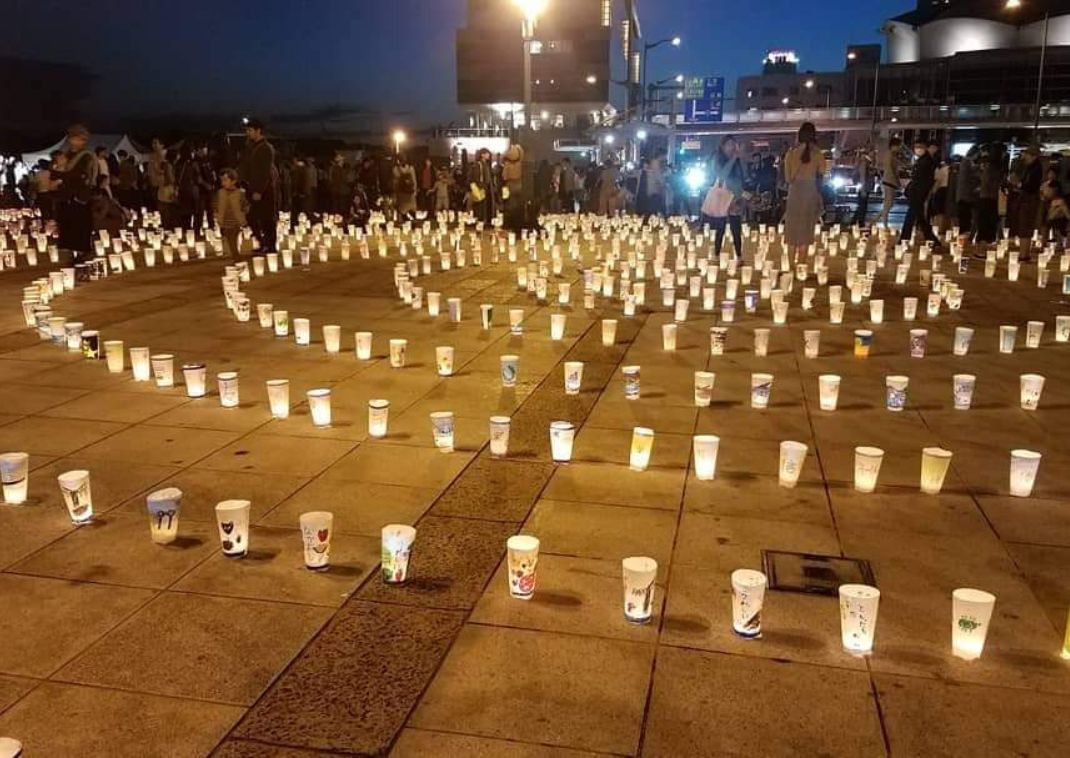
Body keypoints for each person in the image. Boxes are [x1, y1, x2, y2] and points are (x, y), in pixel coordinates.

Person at [52, 124, 97, 261]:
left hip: (79, 197)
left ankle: (83, 255)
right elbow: (55, 174)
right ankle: (71, 256)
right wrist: (59, 173)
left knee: (80, 228)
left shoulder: (86, 156)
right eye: (77, 138)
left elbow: (78, 175)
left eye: (83, 139)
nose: (80, 142)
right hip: (65, 197)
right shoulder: (65, 155)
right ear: (70, 139)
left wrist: (61, 174)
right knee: (67, 229)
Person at [783, 122, 827, 257]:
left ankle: (790, 267)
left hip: (795, 193)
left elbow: (788, 178)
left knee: (792, 233)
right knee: (805, 232)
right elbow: (822, 172)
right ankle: (802, 267)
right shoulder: (818, 154)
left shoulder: (790, 154)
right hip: (810, 193)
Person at [238, 118, 278, 252]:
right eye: (247, 130)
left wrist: (259, 190)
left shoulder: (266, 148)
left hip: (264, 190)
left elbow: (265, 171)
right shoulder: (251, 147)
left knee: (266, 219)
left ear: (258, 131)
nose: (247, 133)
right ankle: (262, 242)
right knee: (251, 217)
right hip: (252, 187)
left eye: (250, 130)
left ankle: (270, 246)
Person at [708, 136, 747, 258]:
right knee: (721, 227)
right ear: (723, 146)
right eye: (729, 144)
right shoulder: (717, 158)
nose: (732, 147)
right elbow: (722, 175)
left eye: (733, 145)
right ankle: (716, 253)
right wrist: (734, 158)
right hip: (722, 196)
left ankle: (739, 255)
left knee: (736, 228)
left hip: (735, 198)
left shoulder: (736, 161)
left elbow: (742, 177)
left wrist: (741, 158)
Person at [899, 139, 940, 248]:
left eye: (920, 146)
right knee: (919, 218)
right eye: (916, 146)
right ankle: (932, 240)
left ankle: (903, 240)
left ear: (925, 147)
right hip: (917, 193)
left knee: (912, 217)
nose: (917, 149)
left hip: (918, 193)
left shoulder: (925, 161)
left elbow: (923, 180)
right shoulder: (923, 160)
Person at [215, 168, 247, 259]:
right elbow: (217, 206)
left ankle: (235, 255)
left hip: (236, 221)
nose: (223, 183)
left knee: (232, 238)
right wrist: (218, 217)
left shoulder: (239, 193)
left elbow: (244, 205)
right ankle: (234, 254)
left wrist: (244, 214)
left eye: (225, 180)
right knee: (229, 238)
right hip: (225, 221)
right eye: (222, 180)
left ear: (233, 181)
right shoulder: (221, 193)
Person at [1016, 146, 1043, 252]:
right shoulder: (1032, 167)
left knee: (1025, 226)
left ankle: (1023, 254)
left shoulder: (1034, 169)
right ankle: (1025, 254)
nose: (1024, 156)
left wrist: (1019, 184)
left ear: (1033, 156)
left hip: (1028, 199)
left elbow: (1030, 186)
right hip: (1029, 199)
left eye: (1026, 154)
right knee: (1027, 227)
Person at [875, 136, 902, 227]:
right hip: (889, 181)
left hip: (891, 181)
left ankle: (874, 221)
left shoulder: (892, 155)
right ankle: (883, 224)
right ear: (893, 146)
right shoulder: (889, 154)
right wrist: (896, 181)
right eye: (898, 146)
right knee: (888, 204)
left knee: (889, 204)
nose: (899, 148)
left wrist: (897, 182)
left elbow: (894, 170)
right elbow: (890, 169)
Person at [955, 147, 980, 244]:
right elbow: (973, 176)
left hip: (963, 196)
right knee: (965, 220)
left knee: (964, 219)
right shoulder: (967, 162)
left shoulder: (965, 162)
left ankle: (964, 239)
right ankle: (963, 240)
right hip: (966, 196)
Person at [469, 148, 497, 223]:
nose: (488, 155)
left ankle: (484, 220)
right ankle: (480, 220)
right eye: (487, 153)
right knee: (480, 205)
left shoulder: (486, 164)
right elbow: (476, 177)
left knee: (485, 206)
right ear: (482, 155)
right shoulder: (478, 164)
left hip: (487, 188)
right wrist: (480, 185)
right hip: (481, 187)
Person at [501, 143, 524, 231]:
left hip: (509, 185)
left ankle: (509, 224)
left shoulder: (507, 164)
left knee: (509, 205)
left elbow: (504, 176)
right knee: (518, 205)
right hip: (520, 184)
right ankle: (517, 223)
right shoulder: (521, 163)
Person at [929, 145, 950, 234]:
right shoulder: (949, 170)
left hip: (940, 191)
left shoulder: (939, 169)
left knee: (937, 212)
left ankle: (937, 229)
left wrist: (933, 192)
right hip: (947, 190)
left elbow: (937, 182)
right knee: (943, 212)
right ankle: (942, 229)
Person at [851, 147, 874, 227]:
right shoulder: (864, 162)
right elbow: (863, 176)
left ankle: (855, 222)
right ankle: (858, 222)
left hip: (865, 187)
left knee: (861, 205)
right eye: (872, 152)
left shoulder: (867, 161)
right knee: (862, 206)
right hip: (864, 187)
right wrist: (863, 188)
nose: (874, 154)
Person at [393, 153, 418, 221]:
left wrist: (395, 193)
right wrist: (415, 190)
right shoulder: (411, 168)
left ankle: (403, 222)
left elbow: (395, 183)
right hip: (410, 193)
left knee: (402, 209)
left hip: (401, 193)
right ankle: (413, 222)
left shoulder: (396, 169)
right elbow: (414, 180)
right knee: (412, 208)